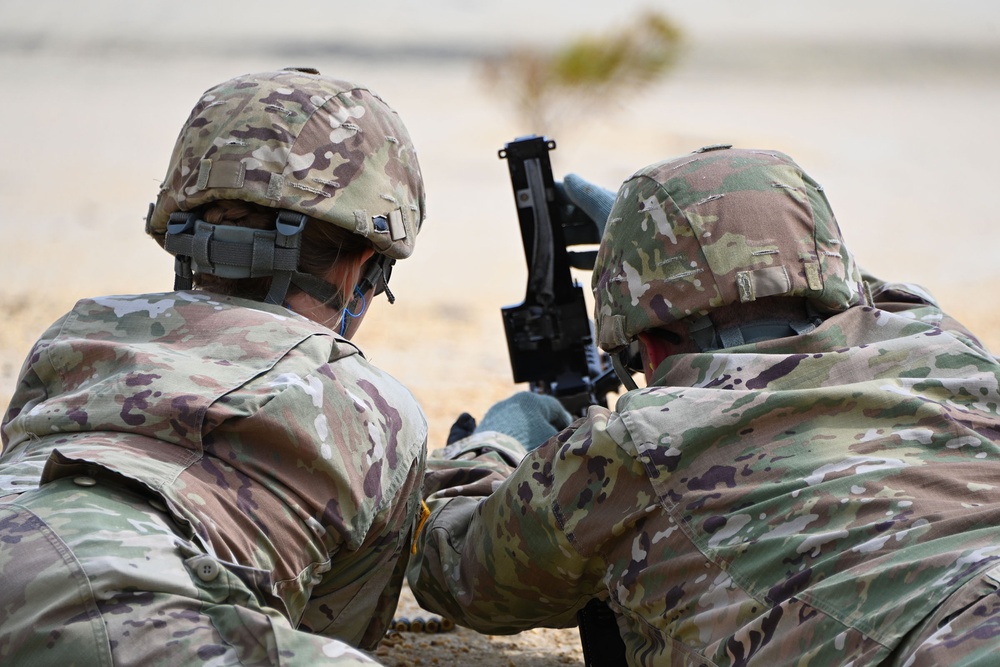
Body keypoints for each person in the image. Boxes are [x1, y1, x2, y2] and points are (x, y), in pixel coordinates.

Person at [406, 145, 1000, 666]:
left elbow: (453, 570)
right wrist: (729, 252)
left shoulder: (637, 444)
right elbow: (878, 302)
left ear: (647, 346)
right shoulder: (954, 356)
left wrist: (495, 445)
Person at [0, 68, 427, 666]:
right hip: (122, 624)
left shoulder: (72, 336)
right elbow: (335, 629)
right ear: (360, 268)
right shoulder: (368, 401)